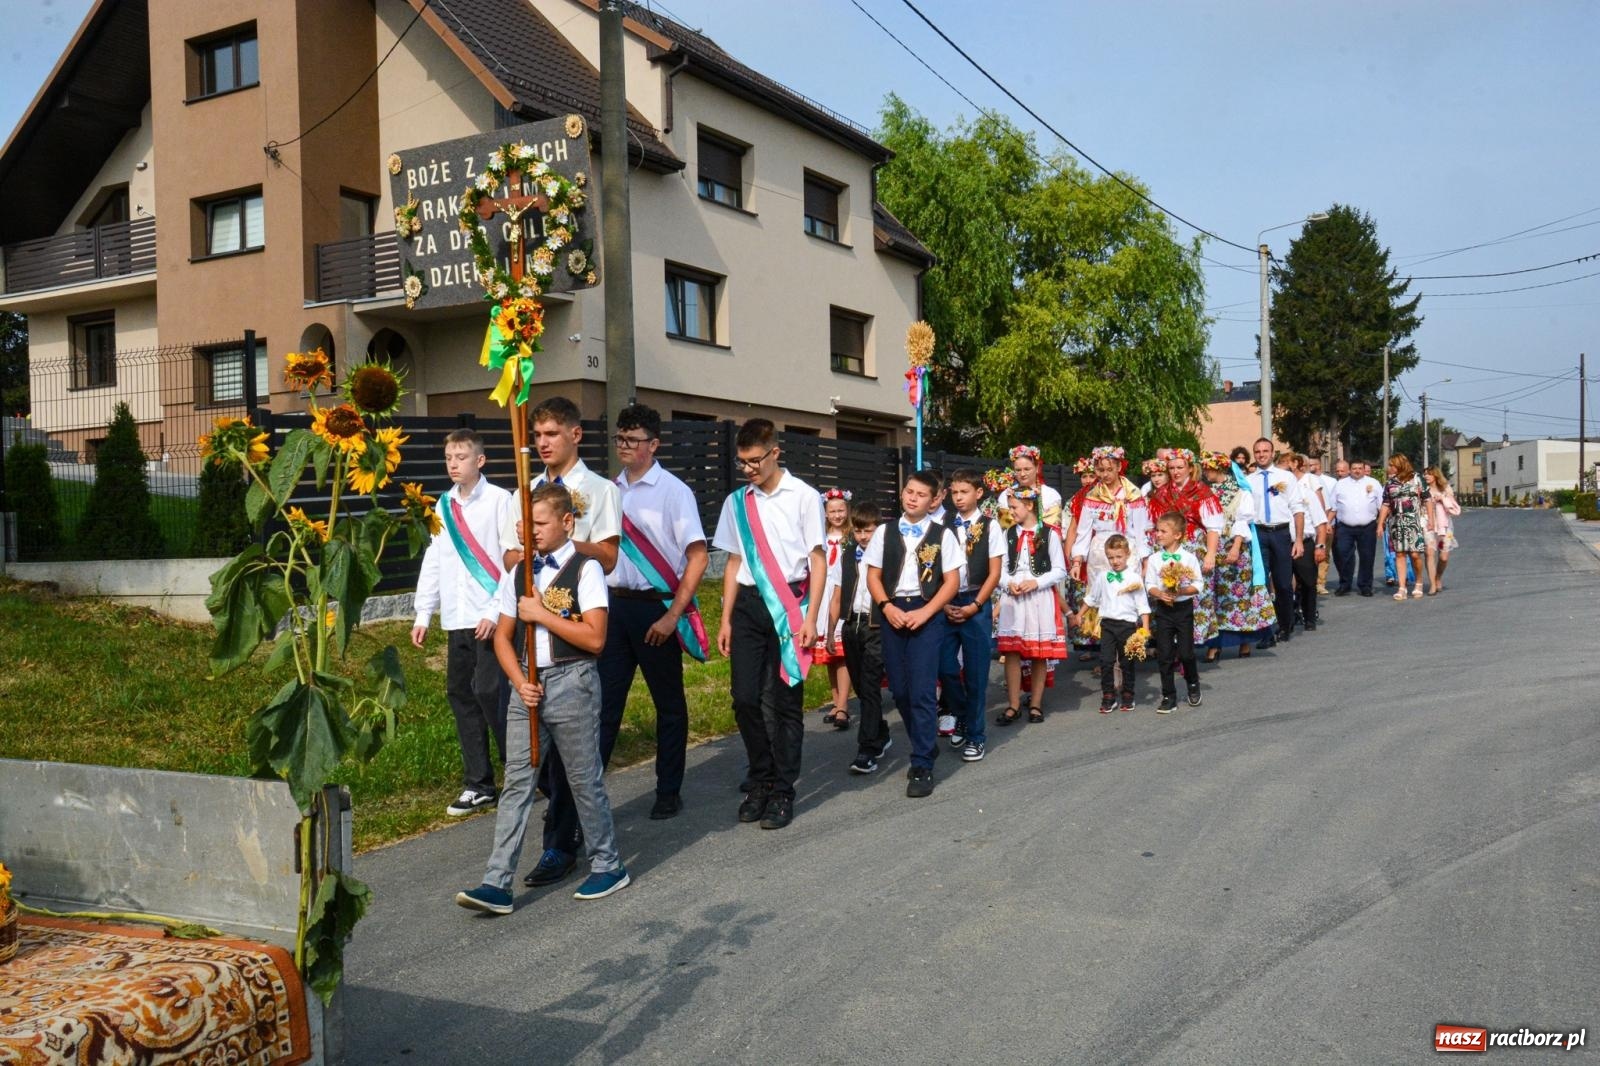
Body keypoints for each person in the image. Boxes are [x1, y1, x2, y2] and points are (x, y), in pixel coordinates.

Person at [456, 484, 628, 915]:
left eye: (541, 523)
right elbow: (503, 637)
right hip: (527, 686)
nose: (530, 531)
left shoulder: (586, 569)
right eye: (527, 523)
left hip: (573, 682)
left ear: (567, 522)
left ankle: (608, 864)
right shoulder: (520, 573)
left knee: (583, 778)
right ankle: (497, 882)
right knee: (518, 782)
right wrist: (519, 681)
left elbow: (596, 638)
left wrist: (542, 614)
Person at [508, 398, 625, 890]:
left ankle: (563, 843)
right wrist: (528, 548)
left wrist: (560, 544)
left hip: (579, 620)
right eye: (537, 435)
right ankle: (564, 826)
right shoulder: (527, 488)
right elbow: (512, 555)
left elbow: (610, 556)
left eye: (551, 433)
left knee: (577, 754)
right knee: (526, 742)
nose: (542, 443)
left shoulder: (599, 489)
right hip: (530, 628)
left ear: (575, 434)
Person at [596, 404, 708, 823]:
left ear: (654, 444)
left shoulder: (674, 492)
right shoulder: (608, 491)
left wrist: (672, 616)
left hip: (657, 607)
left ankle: (668, 790)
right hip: (614, 608)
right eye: (619, 438)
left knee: (669, 704)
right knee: (605, 706)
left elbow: (697, 557)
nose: (624, 446)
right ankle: (586, 799)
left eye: (633, 439)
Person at [713, 418, 826, 830]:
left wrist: (811, 618)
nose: (748, 469)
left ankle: (782, 790)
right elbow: (733, 561)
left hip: (790, 606)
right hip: (747, 605)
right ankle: (760, 778)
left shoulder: (804, 497)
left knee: (785, 702)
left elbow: (817, 560)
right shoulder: (736, 502)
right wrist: (725, 619)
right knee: (744, 698)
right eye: (742, 462)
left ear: (775, 452)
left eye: (755, 461)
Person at [412, 428, 513, 818]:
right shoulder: (443, 505)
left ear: (480, 460)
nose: (453, 464)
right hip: (457, 616)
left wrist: (494, 610)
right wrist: (424, 612)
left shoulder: (501, 500)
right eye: (449, 458)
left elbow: (511, 559)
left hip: (490, 617)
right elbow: (434, 558)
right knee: (461, 694)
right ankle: (479, 784)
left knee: (491, 692)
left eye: (461, 457)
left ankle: (520, 769)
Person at [865, 470, 962, 798]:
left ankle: (922, 762)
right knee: (900, 691)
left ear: (934, 501)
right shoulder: (884, 531)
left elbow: (951, 582)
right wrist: (886, 606)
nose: (912, 498)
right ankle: (925, 741)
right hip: (892, 612)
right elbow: (873, 575)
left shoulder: (942, 534)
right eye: (909, 491)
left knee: (921, 691)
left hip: (926, 612)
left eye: (921, 495)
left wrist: (927, 611)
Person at [937, 470, 1005, 762]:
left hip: (976, 603)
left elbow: (994, 572)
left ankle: (976, 736)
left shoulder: (991, 526)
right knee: (944, 666)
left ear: (978, 493)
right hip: (948, 601)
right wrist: (943, 604)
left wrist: (976, 605)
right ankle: (961, 713)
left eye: (964, 492)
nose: (958, 497)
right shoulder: (943, 525)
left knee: (976, 674)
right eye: (954, 492)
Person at [995, 486, 1068, 725]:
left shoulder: (1049, 534)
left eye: (1014, 507)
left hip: (1039, 597)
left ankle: (1035, 703)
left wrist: (1036, 582)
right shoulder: (1007, 534)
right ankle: (1013, 704)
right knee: (1012, 652)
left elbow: (1060, 570)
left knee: (1039, 653)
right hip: (1013, 597)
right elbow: (999, 569)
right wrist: (1008, 584)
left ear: (1028, 505)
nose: (1010, 512)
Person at [830, 500, 891, 774]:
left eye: (868, 531)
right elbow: (837, 594)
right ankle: (881, 732)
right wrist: (831, 629)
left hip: (876, 626)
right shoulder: (847, 555)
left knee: (869, 685)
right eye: (858, 531)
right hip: (851, 626)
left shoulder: (889, 555)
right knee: (860, 686)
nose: (863, 536)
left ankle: (867, 749)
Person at [1200, 451, 1274, 661]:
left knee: (1238, 595)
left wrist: (1236, 547)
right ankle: (1214, 645)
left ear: (1219, 468)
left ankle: (1244, 641)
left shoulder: (1240, 492)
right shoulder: (1205, 491)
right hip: (1212, 545)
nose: (1205, 472)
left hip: (1234, 546)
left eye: (1208, 468)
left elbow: (1243, 521)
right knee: (1214, 595)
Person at [1146, 449, 1222, 651]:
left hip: (1193, 548)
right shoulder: (1161, 493)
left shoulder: (1202, 491)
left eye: (1180, 467)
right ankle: (1169, 645)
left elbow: (1213, 527)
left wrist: (1210, 554)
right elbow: (1151, 525)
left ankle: (1188, 647)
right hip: (1166, 549)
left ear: (1190, 468)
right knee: (1165, 593)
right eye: (1171, 468)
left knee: (1194, 596)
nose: (1176, 471)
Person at [1245, 438, 1306, 644]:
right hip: (1258, 534)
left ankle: (1285, 625)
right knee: (1260, 582)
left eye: (1265, 451)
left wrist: (1298, 540)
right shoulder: (1248, 480)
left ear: (1272, 453)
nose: (1261, 455)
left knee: (1282, 583)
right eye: (1257, 451)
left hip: (1280, 533)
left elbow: (1297, 509)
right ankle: (1265, 631)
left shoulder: (1285, 477)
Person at [1083, 533, 1150, 713]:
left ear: (1127, 554)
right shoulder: (1103, 576)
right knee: (1106, 661)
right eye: (1111, 557)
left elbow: (1142, 605)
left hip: (1127, 626)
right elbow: (1092, 598)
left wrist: (1145, 628)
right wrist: (1079, 615)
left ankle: (1128, 694)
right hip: (1108, 625)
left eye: (1119, 556)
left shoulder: (1134, 578)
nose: (1115, 561)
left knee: (1127, 662)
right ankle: (1108, 695)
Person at [1145, 512, 1204, 712]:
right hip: (1164, 610)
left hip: (1183, 609)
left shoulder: (1189, 558)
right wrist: (1160, 594)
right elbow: (1149, 584)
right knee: (1165, 654)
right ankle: (1168, 695)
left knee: (1186, 653)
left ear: (1177, 535)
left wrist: (1181, 591)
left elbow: (1198, 584)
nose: (1158, 534)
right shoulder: (1154, 559)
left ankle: (1193, 683)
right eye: (1157, 530)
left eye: (1163, 531)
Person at [815, 489, 854, 729]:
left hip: (842, 594)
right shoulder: (820, 537)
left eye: (841, 510)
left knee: (842, 653)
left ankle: (843, 705)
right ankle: (835, 699)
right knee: (830, 655)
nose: (837, 515)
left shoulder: (851, 537)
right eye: (832, 511)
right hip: (823, 596)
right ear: (825, 514)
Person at [1286, 453, 1329, 632]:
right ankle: (1288, 617)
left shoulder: (1307, 492)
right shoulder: (1277, 494)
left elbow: (1320, 522)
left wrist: (1320, 546)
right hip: (1283, 542)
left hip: (1305, 541)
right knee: (1284, 583)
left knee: (1308, 581)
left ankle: (1309, 616)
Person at [1378, 453, 1430, 600]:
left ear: (1400, 465)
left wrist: (1431, 520)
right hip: (1396, 523)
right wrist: (1380, 523)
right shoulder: (1390, 483)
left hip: (1413, 522)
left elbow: (1427, 499)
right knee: (1399, 554)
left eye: (1392, 465)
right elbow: (1386, 504)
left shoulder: (1417, 478)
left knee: (1414, 554)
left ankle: (1418, 582)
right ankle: (1402, 588)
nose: (1389, 467)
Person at [1331, 460, 1382, 596]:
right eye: (1354, 468)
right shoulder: (1340, 484)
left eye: (1360, 468)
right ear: (1350, 470)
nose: (1357, 471)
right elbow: (1333, 506)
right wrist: (1328, 523)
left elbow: (1381, 505)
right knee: (1343, 555)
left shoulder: (1373, 483)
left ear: (1364, 469)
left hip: (1368, 526)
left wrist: (1381, 524)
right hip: (1344, 527)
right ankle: (1345, 584)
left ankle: (1365, 585)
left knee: (1367, 556)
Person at [1423, 466, 1460, 594]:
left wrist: (1442, 499)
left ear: (1435, 475)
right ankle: (1433, 584)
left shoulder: (1446, 489)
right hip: (1428, 525)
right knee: (1429, 553)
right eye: (1425, 474)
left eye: (1429, 474)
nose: (1426, 476)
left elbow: (1454, 508)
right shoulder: (1423, 490)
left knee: (1444, 557)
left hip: (1445, 527)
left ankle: (1438, 576)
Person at [1310, 458, 1338, 595]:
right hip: (1308, 526)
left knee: (1323, 554)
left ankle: (1320, 583)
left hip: (1325, 523)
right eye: (1308, 465)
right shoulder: (1300, 480)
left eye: (1312, 464)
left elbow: (1330, 505)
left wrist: (1326, 523)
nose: (1310, 467)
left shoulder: (1328, 481)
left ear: (1319, 465)